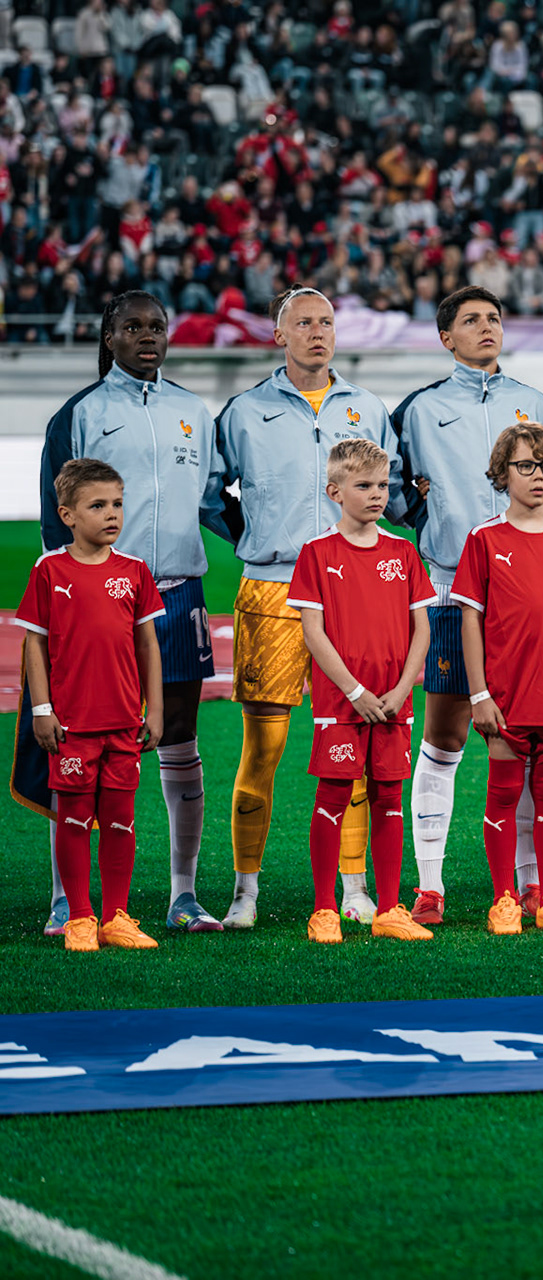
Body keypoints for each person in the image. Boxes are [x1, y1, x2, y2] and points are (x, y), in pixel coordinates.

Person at [213, 287, 402, 930]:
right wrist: (257, 537)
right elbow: (213, 494)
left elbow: (390, 493)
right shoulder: (243, 412)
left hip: (353, 594)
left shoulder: (369, 408)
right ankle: (246, 892)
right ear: (278, 334)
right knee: (262, 748)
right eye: (303, 323)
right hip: (269, 590)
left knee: (351, 740)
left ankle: (353, 888)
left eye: (326, 322)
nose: (317, 333)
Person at [37, 290, 224, 935]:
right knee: (82, 748)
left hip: (179, 597)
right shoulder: (82, 413)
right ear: (108, 336)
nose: (148, 337)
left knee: (178, 738)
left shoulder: (191, 411)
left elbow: (211, 502)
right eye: (133, 327)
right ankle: (69, 899)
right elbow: (52, 522)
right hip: (102, 603)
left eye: (157, 327)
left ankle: (183, 894)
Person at [395, 285, 543, 925]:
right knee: (446, 737)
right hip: (453, 595)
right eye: (471, 321)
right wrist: (427, 510)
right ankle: (430, 886)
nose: (486, 328)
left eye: (494, 318)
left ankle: (533, 889)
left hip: (536, 599)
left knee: (535, 748)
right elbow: (392, 491)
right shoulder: (419, 408)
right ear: (446, 337)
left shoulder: (534, 404)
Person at [450, 424, 543, 936]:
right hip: (505, 694)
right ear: (502, 474)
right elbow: (470, 619)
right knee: (502, 794)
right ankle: (503, 900)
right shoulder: (485, 539)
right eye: (525, 466)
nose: (538, 477)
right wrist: (479, 693)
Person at [287, 440, 435, 942]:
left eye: (383, 485)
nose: (377, 494)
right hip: (341, 705)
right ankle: (324, 909)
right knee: (333, 793)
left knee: (389, 795)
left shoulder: (403, 552)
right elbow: (313, 632)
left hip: (395, 703)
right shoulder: (316, 553)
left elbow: (422, 630)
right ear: (334, 492)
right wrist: (354, 692)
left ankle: (391, 909)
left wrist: (400, 689)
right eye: (364, 486)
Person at [18, 459, 164, 951]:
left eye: (117, 504)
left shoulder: (135, 572)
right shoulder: (50, 570)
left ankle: (117, 916)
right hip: (72, 725)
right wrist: (43, 710)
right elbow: (34, 645)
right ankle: (80, 916)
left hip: (124, 722)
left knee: (121, 820)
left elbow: (148, 645)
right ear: (67, 515)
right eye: (97, 505)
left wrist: (156, 711)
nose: (111, 514)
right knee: (75, 819)